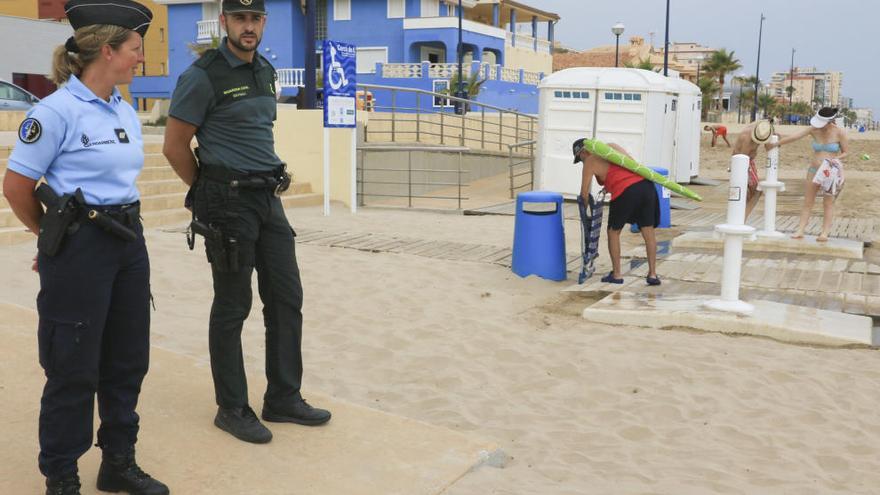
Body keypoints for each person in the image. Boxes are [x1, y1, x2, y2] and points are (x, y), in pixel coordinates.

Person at [1, 2, 170, 494]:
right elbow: (16, 188)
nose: (141, 58)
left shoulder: (121, 107)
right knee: (73, 364)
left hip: (127, 242)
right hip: (81, 245)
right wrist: (55, 239)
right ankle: (61, 474)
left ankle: (118, 462)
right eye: (135, 49)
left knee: (127, 357)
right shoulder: (55, 111)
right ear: (108, 50)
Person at [162, 0, 331, 445]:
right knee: (233, 305)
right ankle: (232, 407)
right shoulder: (202, 76)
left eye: (255, 18)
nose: (248, 26)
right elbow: (174, 145)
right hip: (227, 200)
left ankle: (283, 397)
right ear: (225, 23)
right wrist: (205, 191)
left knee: (286, 296)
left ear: (263, 23)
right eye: (240, 18)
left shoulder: (265, 71)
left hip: (267, 198)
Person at [573, 139, 661, 286]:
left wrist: (587, 214)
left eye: (579, 158)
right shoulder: (612, 147)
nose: (581, 161)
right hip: (646, 187)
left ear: (583, 152)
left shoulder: (589, 161)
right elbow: (630, 165)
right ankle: (652, 274)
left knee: (613, 233)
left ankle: (617, 274)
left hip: (625, 191)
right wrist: (609, 184)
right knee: (648, 231)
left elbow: (584, 193)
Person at [767, 107, 849, 241]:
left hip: (830, 172)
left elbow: (846, 151)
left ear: (830, 121)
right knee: (808, 201)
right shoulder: (813, 129)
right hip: (813, 170)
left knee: (828, 203)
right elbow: (795, 136)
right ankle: (800, 230)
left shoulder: (840, 132)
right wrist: (776, 144)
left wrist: (836, 159)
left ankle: (824, 233)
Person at [731, 119, 774, 221]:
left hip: (748, 161)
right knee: (756, 190)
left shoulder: (761, 129)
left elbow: (768, 146)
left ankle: (742, 216)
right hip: (743, 162)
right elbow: (742, 158)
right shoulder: (747, 138)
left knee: (752, 192)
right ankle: (743, 218)